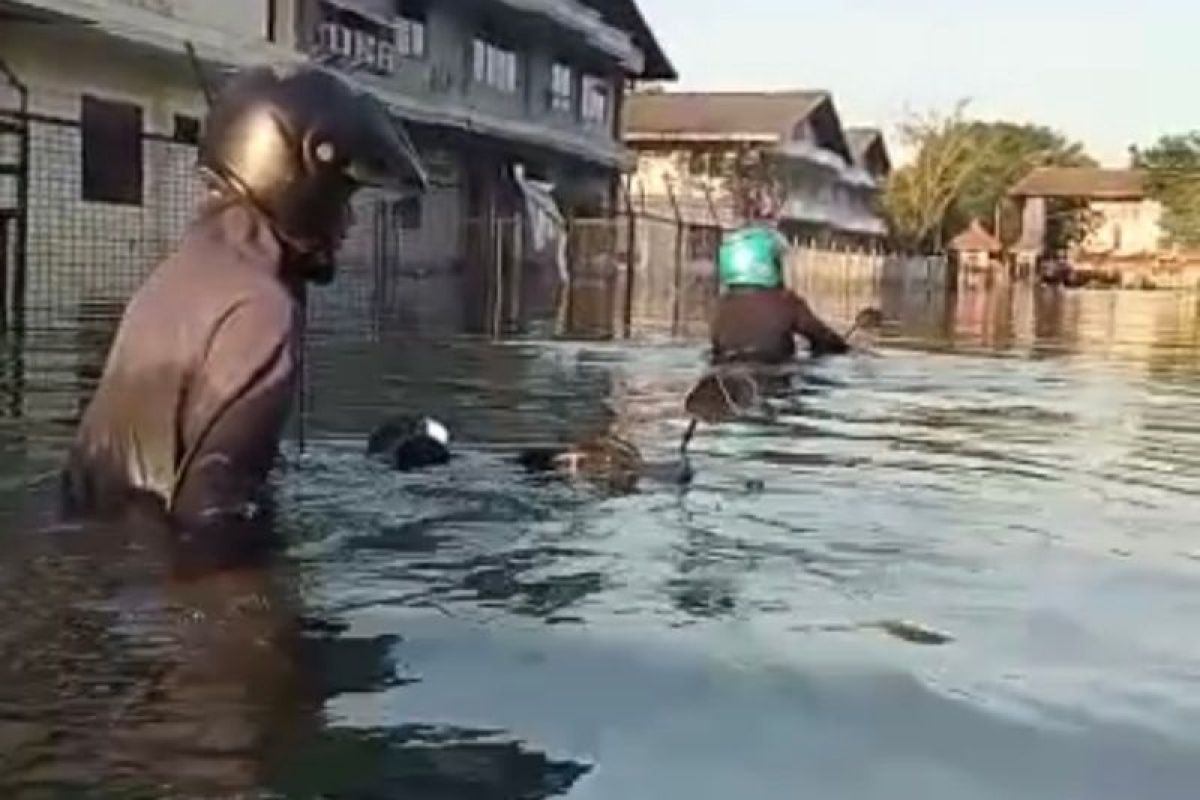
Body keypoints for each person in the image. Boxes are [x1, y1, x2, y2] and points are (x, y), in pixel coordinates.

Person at [59, 64, 429, 532]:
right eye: (342, 200)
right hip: (153, 581)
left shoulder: (178, 276)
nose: (348, 224)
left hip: (95, 564)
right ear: (303, 181)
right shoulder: (260, 309)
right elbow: (212, 515)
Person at [709, 225, 850, 364]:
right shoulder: (786, 301)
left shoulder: (720, 307)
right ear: (764, 264)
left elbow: (716, 350)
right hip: (775, 378)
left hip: (726, 373)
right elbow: (826, 339)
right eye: (776, 262)